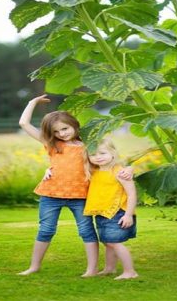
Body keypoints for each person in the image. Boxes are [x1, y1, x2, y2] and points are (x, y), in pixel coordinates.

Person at [17, 94, 133, 277]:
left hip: (80, 196)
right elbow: (24, 124)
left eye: (64, 128)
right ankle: (34, 266)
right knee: (46, 229)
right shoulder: (52, 144)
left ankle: (92, 270)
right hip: (51, 194)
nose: (61, 134)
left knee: (86, 231)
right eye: (56, 132)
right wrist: (32, 103)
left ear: (74, 124)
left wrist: (130, 168)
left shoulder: (88, 145)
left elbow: (110, 158)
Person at [84, 139, 139, 280]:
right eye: (93, 154)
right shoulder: (94, 171)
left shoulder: (120, 172)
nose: (98, 157)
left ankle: (130, 271)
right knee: (107, 242)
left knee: (114, 242)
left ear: (113, 153)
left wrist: (128, 215)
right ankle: (110, 268)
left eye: (102, 153)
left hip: (118, 212)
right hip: (102, 212)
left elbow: (132, 194)